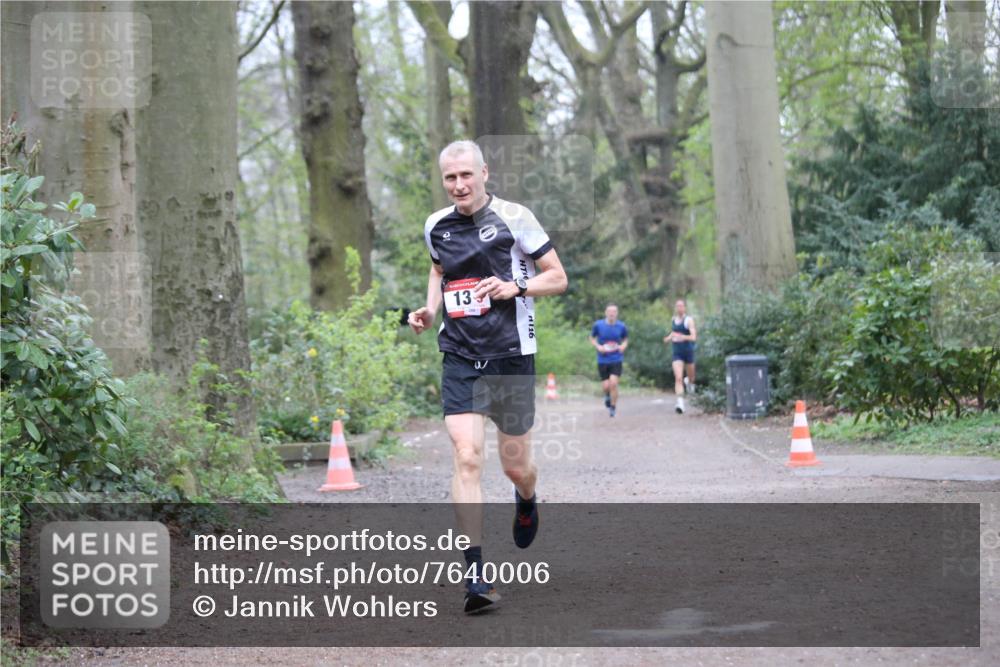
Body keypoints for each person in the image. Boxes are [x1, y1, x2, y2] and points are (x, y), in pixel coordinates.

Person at [407, 140, 568, 613]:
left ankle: (527, 496)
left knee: (514, 466)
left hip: (511, 356)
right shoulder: (436, 225)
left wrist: (515, 287)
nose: (458, 185)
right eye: (450, 178)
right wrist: (430, 308)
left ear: (484, 173)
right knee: (467, 456)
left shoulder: (517, 217)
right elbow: (438, 270)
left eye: (466, 176)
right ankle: (474, 575)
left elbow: (558, 277)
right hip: (459, 354)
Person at [589, 304, 628, 417]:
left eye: (614, 311)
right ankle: (607, 395)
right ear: (606, 313)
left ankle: (613, 407)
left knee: (614, 383)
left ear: (617, 313)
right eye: (609, 311)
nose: (612, 314)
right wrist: (598, 346)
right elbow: (592, 338)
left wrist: (623, 346)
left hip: (616, 358)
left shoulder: (621, 326)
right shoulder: (598, 325)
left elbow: (625, 339)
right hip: (602, 359)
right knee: (606, 386)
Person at [664, 299, 696, 414]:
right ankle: (680, 403)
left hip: (688, 352)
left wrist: (683, 337)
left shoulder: (689, 320)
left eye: (681, 306)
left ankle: (689, 382)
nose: (679, 308)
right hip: (677, 353)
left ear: (685, 308)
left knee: (692, 378)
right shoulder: (673, 320)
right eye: (677, 306)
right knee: (678, 378)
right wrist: (668, 338)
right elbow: (673, 333)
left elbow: (693, 337)